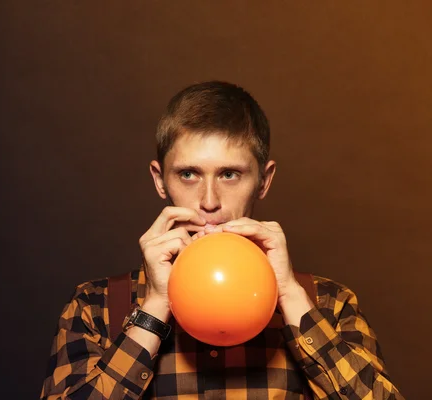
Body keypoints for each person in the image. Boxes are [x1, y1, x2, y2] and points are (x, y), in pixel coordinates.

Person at [40, 81, 404, 399]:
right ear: (159, 179)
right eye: (188, 174)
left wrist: (291, 296)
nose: (209, 200)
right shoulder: (95, 307)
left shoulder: (329, 304)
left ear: (264, 180)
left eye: (230, 174)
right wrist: (154, 308)